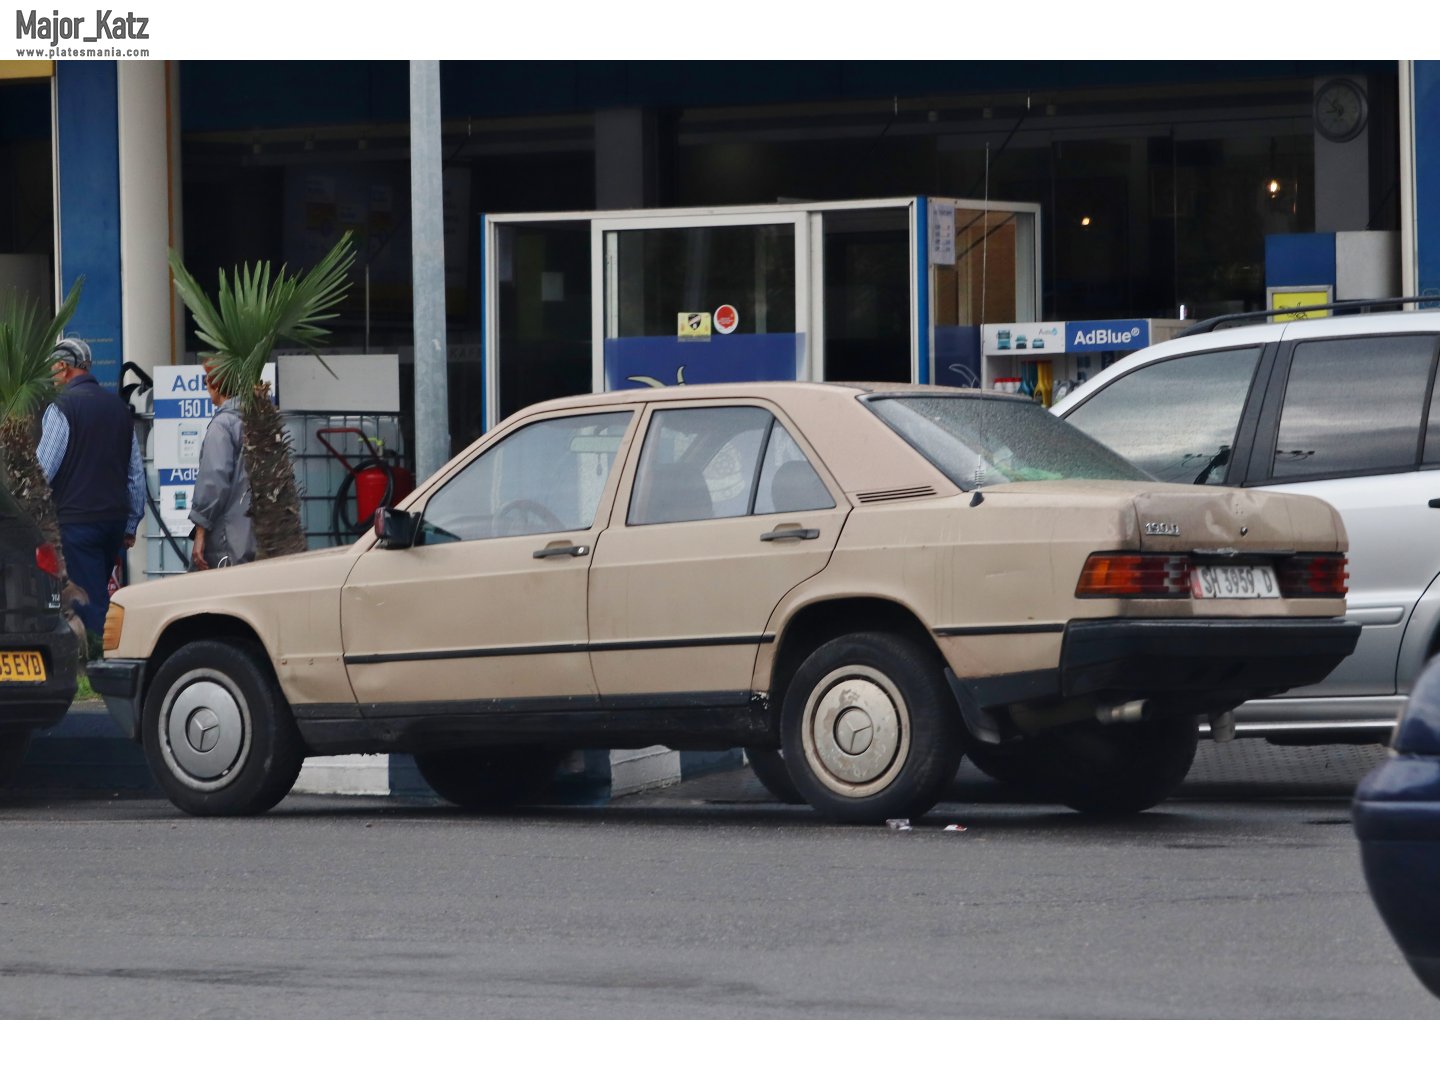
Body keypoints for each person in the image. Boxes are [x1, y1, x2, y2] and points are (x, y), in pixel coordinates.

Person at [37, 338, 145, 636]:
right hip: (113, 522)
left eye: (52, 369)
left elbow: (43, 471)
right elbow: (135, 474)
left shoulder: (62, 408)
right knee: (99, 593)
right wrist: (131, 524)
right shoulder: (119, 409)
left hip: (76, 523)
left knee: (84, 602)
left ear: (63, 367)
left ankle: (95, 659)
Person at [188, 364, 254, 570]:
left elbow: (213, 481)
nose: (206, 386)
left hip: (228, 539)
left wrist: (200, 531)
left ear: (216, 386)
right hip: (255, 536)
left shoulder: (222, 425)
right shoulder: (256, 420)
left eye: (206, 381)